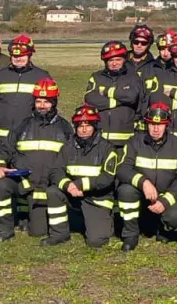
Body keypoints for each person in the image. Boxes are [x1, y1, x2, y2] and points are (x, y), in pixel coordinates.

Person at [0, 77, 72, 242]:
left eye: (46, 101)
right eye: (38, 101)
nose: (42, 105)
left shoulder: (64, 128)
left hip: (49, 187)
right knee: (1, 185)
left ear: (54, 102)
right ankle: (4, 229)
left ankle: (41, 218)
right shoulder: (22, 125)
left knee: (38, 232)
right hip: (25, 183)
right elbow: (5, 149)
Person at [115, 101, 177, 254]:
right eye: (152, 124)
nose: (156, 129)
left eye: (160, 125)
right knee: (125, 191)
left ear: (167, 125)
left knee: (175, 217)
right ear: (146, 124)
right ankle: (130, 234)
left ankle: (163, 229)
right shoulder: (134, 142)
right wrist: (143, 182)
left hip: (167, 195)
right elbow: (122, 169)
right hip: (143, 194)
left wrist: (165, 201)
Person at [45, 104, 122, 248]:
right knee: (53, 191)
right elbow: (55, 171)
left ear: (95, 126)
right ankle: (59, 234)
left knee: (96, 241)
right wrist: (68, 185)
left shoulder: (107, 148)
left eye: (88, 125)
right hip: (73, 195)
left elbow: (107, 178)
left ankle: (104, 222)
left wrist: (79, 184)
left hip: (97, 199)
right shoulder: (67, 147)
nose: (84, 129)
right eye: (80, 125)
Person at [0, 34, 51, 140]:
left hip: (29, 135)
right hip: (1, 136)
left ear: (30, 55)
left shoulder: (42, 76)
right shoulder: (0, 75)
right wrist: (1, 115)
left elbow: (49, 105)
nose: (18, 59)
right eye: (15, 56)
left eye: (21, 56)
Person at [84, 41, 142, 145]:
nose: (114, 64)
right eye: (111, 60)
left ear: (124, 60)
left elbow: (131, 96)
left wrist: (106, 91)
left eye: (118, 59)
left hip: (125, 138)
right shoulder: (96, 77)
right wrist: (118, 101)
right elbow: (90, 99)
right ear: (105, 61)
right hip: (100, 138)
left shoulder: (133, 77)